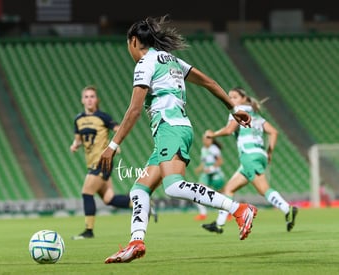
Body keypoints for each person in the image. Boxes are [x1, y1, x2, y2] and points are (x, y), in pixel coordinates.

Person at [98, 15, 258, 264]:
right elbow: (209, 82)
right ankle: (136, 242)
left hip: (170, 129)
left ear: (133, 41)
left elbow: (134, 110)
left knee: (173, 186)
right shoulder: (172, 60)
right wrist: (233, 109)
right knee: (139, 190)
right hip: (175, 129)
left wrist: (112, 145)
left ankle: (238, 209)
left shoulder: (144, 64)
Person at [202, 87, 298, 234]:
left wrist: (212, 135)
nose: (231, 99)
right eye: (230, 97)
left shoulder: (238, 110)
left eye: (234, 97)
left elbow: (229, 130)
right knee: (229, 189)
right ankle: (219, 224)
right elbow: (273, 132)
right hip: (259, 155)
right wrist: (269, 152)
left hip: (249, 155)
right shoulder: (257, 116)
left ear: (243, 99)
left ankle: (287, 208)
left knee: (263, 190)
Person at [70, 85, 131, 240]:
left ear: (97, 100)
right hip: (91, 163)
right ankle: (140, 203)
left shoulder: (103, 117)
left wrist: (114, 145)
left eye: (92, 96)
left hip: (102, 162)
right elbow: (78, 139)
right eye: (86, 97)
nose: (89, 99)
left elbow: (119, 129)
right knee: (109, 199)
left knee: (86, 193)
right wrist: (75, 145)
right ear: (82, 100)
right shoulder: (78, 119)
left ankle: (88, 231)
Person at [193, 132, 225, 221]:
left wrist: (211, 168)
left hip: (215, 173)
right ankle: (203, 214)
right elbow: (203, 163)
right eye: (205, 138)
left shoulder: (214, 149)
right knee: (198, 190)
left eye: (208, 138)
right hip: (206, 174)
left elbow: (220, 161)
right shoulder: (203, 149)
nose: (206, 140)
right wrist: (200, 168)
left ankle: (227, 212)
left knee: (221, 193)